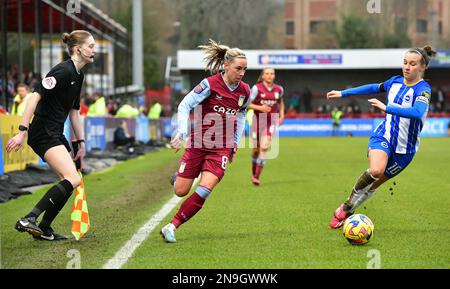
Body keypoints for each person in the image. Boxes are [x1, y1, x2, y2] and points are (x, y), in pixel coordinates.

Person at [326, 45, 436, 229]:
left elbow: (417, 112)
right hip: (383, 136)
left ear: (422, 67)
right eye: (405, 63)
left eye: (412, 64)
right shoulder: (394, 81)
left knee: (373, 185)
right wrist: (343, 93)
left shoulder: (423, 89)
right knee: (375, 170)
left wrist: (387, 108)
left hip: (405, 150)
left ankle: (348, 209)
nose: (407, 67)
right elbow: (372, 87)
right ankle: (346, 206)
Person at [6, 30, 96, 240]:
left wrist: (80, 142)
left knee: (69, 181)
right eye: (91, 46)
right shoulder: (63, 71)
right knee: (72, 178)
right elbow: (33, 99)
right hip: (43, 131)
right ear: (78, 49)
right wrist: (21, 132)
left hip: (55, 132)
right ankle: (29, 219)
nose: (94, 50)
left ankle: (44, 229)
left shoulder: (79, 75)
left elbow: (75, 112)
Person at [160, 39, 251, 243]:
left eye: (245, 69)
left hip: (222, 148)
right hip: (198, 143)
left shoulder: (245, 91)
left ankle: (171, 226)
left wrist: (235, 143)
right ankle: (178, 177)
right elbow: (184, 105)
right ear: (226, 65)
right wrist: (182, 133)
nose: (242, 73)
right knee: (180, 191)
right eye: (238, 68)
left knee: (205, 189)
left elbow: (241, 116)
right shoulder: (209, 85)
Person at [248, 67, 284, 185]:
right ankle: (253, 172)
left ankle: (257, 177)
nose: (269, 75)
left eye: (272, 73)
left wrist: (281, 116)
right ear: (263, 76)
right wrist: (260, 108)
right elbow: (246, 104)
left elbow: (281, 102)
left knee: (264, 147)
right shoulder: (256, 88)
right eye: (267, 73)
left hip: (270, 122)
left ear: (274, 75)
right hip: (257, 121)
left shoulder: (279, 89)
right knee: (256, 150)